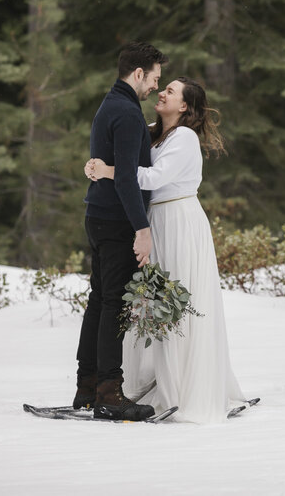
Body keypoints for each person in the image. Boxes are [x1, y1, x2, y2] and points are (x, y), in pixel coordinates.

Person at [85, 76, 247, 423]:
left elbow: (153, 178)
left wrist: (109, 171)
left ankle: (187, 382)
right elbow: (123, 153)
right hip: (153, 221)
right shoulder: (151, 129)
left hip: (179, 220)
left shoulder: (184, 137)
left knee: (179, 299)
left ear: (185, 106)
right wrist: (95, 166)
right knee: (153, 302)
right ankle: (150, 377)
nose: (162, 92)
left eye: (170, 91)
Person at [74, 41, 167, 421]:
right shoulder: (127, 113)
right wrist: (141, 229)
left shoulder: (110, 104)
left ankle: (88, 386)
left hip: (98, 216)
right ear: (139, 73)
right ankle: (110, 393)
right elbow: (128, 179)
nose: (156, 89)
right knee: (114, 304)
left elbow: (113, 166)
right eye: (155, 79)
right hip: (115, 221)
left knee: (100, 300)